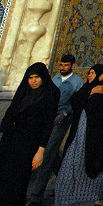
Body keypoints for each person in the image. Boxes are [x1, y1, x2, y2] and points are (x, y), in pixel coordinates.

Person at [54, 63, 103, 206]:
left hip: (97, 139)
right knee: (70, 165)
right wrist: (91, 91)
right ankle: (68, 197)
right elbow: (75, 100)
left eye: (93, 73)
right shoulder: (86, 89)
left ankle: (98, 199)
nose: (90, 75)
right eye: (89, 73)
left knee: (96, 169)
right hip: (79, 138)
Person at [26, 53, 84, 206]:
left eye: (65, 65)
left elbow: (78, 103)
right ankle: (63, 184)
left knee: (46, 154)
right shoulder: (55, 78)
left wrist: (64, 113)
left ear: (72, 66)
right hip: (48, 118)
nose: (62, 68)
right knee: (53, 154)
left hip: (62, 120)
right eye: (61, 65)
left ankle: (35, 196)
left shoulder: (78, 82)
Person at [0, 62, 60, 205]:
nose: (33, 81)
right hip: (10, 139)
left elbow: (47, 123)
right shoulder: (24, 90)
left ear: (43, 77)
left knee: (19, 179)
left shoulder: (51, 92)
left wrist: (41, 150)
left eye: (37, 77)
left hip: (29, 143)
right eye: (30, 77)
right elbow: (12, 111)